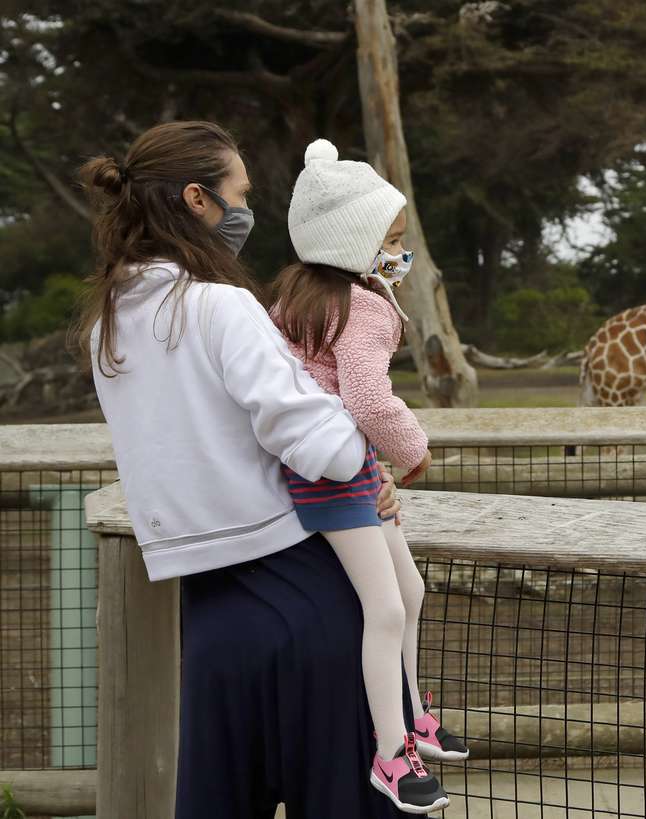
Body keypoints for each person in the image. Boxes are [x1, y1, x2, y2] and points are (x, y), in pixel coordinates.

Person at [78, 120, 428, 818]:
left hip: (209, 616)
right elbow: (318, 442)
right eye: (239, 193)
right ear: (197, 200)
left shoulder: (108, 326)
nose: (248, 211)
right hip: (305, 597)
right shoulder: (222, 306)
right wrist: (370, 459)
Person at [269, 138, 468, 814]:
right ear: (356, 243)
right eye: (394, 241)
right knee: (385, 607)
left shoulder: (294, 300)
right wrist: (413, 451)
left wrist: (373, 461)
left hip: (325, 469)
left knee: (408, 589)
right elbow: (366, 397)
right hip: (336, 478)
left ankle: (414, 713)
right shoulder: (369, 307)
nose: (400, 255)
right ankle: (392, 753)